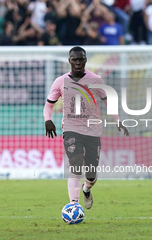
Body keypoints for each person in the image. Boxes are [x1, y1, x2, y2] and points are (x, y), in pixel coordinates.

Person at [43, 46, 129, 210]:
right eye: (74, 59)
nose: (77, 62)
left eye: (80, 59)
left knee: (90, 174)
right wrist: (48, 120)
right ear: (69, 60)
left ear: (85, 60)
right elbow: (49, 105)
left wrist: (118, 120)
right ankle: (73, 205)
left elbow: (107, 102)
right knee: (75, 163)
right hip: (71, 128)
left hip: (92, 130)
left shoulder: (96, 80)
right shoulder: (60, 81)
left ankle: (86, 189)